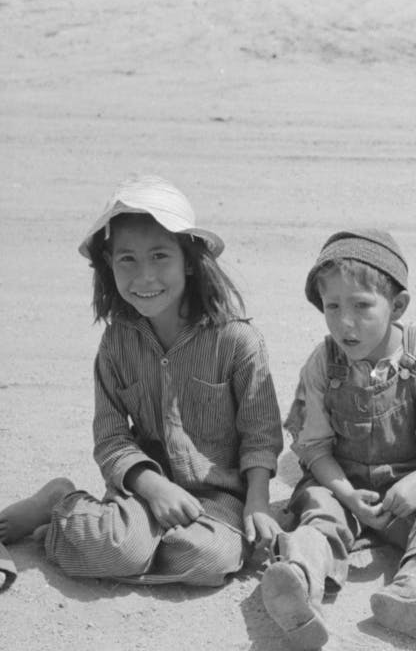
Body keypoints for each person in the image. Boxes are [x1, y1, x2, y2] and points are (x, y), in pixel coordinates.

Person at [0, 174, 283, 587]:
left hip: (220, 496)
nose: (144, 276)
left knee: (209, 559)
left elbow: (261, 436)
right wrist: (153, 489)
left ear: (189, 259)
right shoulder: (117, 343)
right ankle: (59, 502)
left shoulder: (238, 341)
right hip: (144, 488)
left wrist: (257, 502)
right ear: (109, 265)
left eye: (159, 257)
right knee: (117, 547)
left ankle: (131, 544)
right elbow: (111, 438)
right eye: (127, 260)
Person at [270, 229, 416, 651]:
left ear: (397, 305)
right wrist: (345, 494)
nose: (346, 322)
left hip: (408, 489)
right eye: (332, 306)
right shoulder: (323, 363)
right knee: (318, 513)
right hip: (343, 484)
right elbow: (314, 449)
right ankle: (299, 583)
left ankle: (415, 589)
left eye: (362, 306)